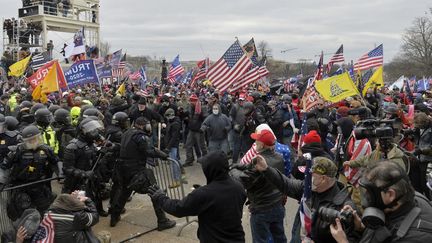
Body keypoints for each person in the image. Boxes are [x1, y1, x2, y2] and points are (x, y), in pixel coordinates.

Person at [148, 151, 247, 243]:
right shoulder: (238, 187)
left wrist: (161, 198)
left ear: (210, 169)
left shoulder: (203, 194)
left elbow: (178, 208)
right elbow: (222, 202)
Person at [253, 155, 357, 243]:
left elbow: (348, 239)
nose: (306, 177)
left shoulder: (344, 206)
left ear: (323, 179)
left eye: (310, 175)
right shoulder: (309, 188)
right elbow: (287, 184)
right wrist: (266, 169)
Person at [330, 161, 432, 243]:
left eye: (371, 193)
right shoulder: (407, 200)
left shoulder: (413, 237)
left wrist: (343, 241)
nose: (367, 197)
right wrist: (361, 227)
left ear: (391, 195)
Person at [109, 117, 176, 230]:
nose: (148, 127)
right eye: (147, 125)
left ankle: (114, 217)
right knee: (155, 191)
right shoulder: (141, 136)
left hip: (123, 169)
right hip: (137, 170)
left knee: (124, 193)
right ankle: (162, 221)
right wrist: (162, 155)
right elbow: (148, 151)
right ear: (141, 125)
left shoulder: (127, 133)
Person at [1, 125, 58, 218]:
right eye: (31, 140)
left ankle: (42, 227)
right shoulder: (17, 150)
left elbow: (56, 161)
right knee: (23, 210)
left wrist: (61, 173)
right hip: (21, 186)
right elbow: (4, 166)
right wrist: (2, 182)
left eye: (36, 138)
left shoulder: (46, 149)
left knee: (43, 208)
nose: (35, 142)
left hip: (38, 184)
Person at [62, 117, 108, 216]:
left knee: (97, 194)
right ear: (82, 131)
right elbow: (67, 168)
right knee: (79, 201)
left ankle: (99, 210)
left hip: (92, 176)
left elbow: (93, 161)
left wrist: (100, 154)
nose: (94, 132)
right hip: (78, 181)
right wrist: (83, 174)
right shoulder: (72, 147)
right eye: (90, 130)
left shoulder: (91, 144)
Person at [163, 108, 182, 188]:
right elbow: (169, 133)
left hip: (173, 145)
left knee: (174, 163)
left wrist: (168, 147)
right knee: (175, 160)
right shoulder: (170, 122)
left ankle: (176, 180)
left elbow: (174, 137)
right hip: (171, 145)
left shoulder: (175, 124)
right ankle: (181, 171)